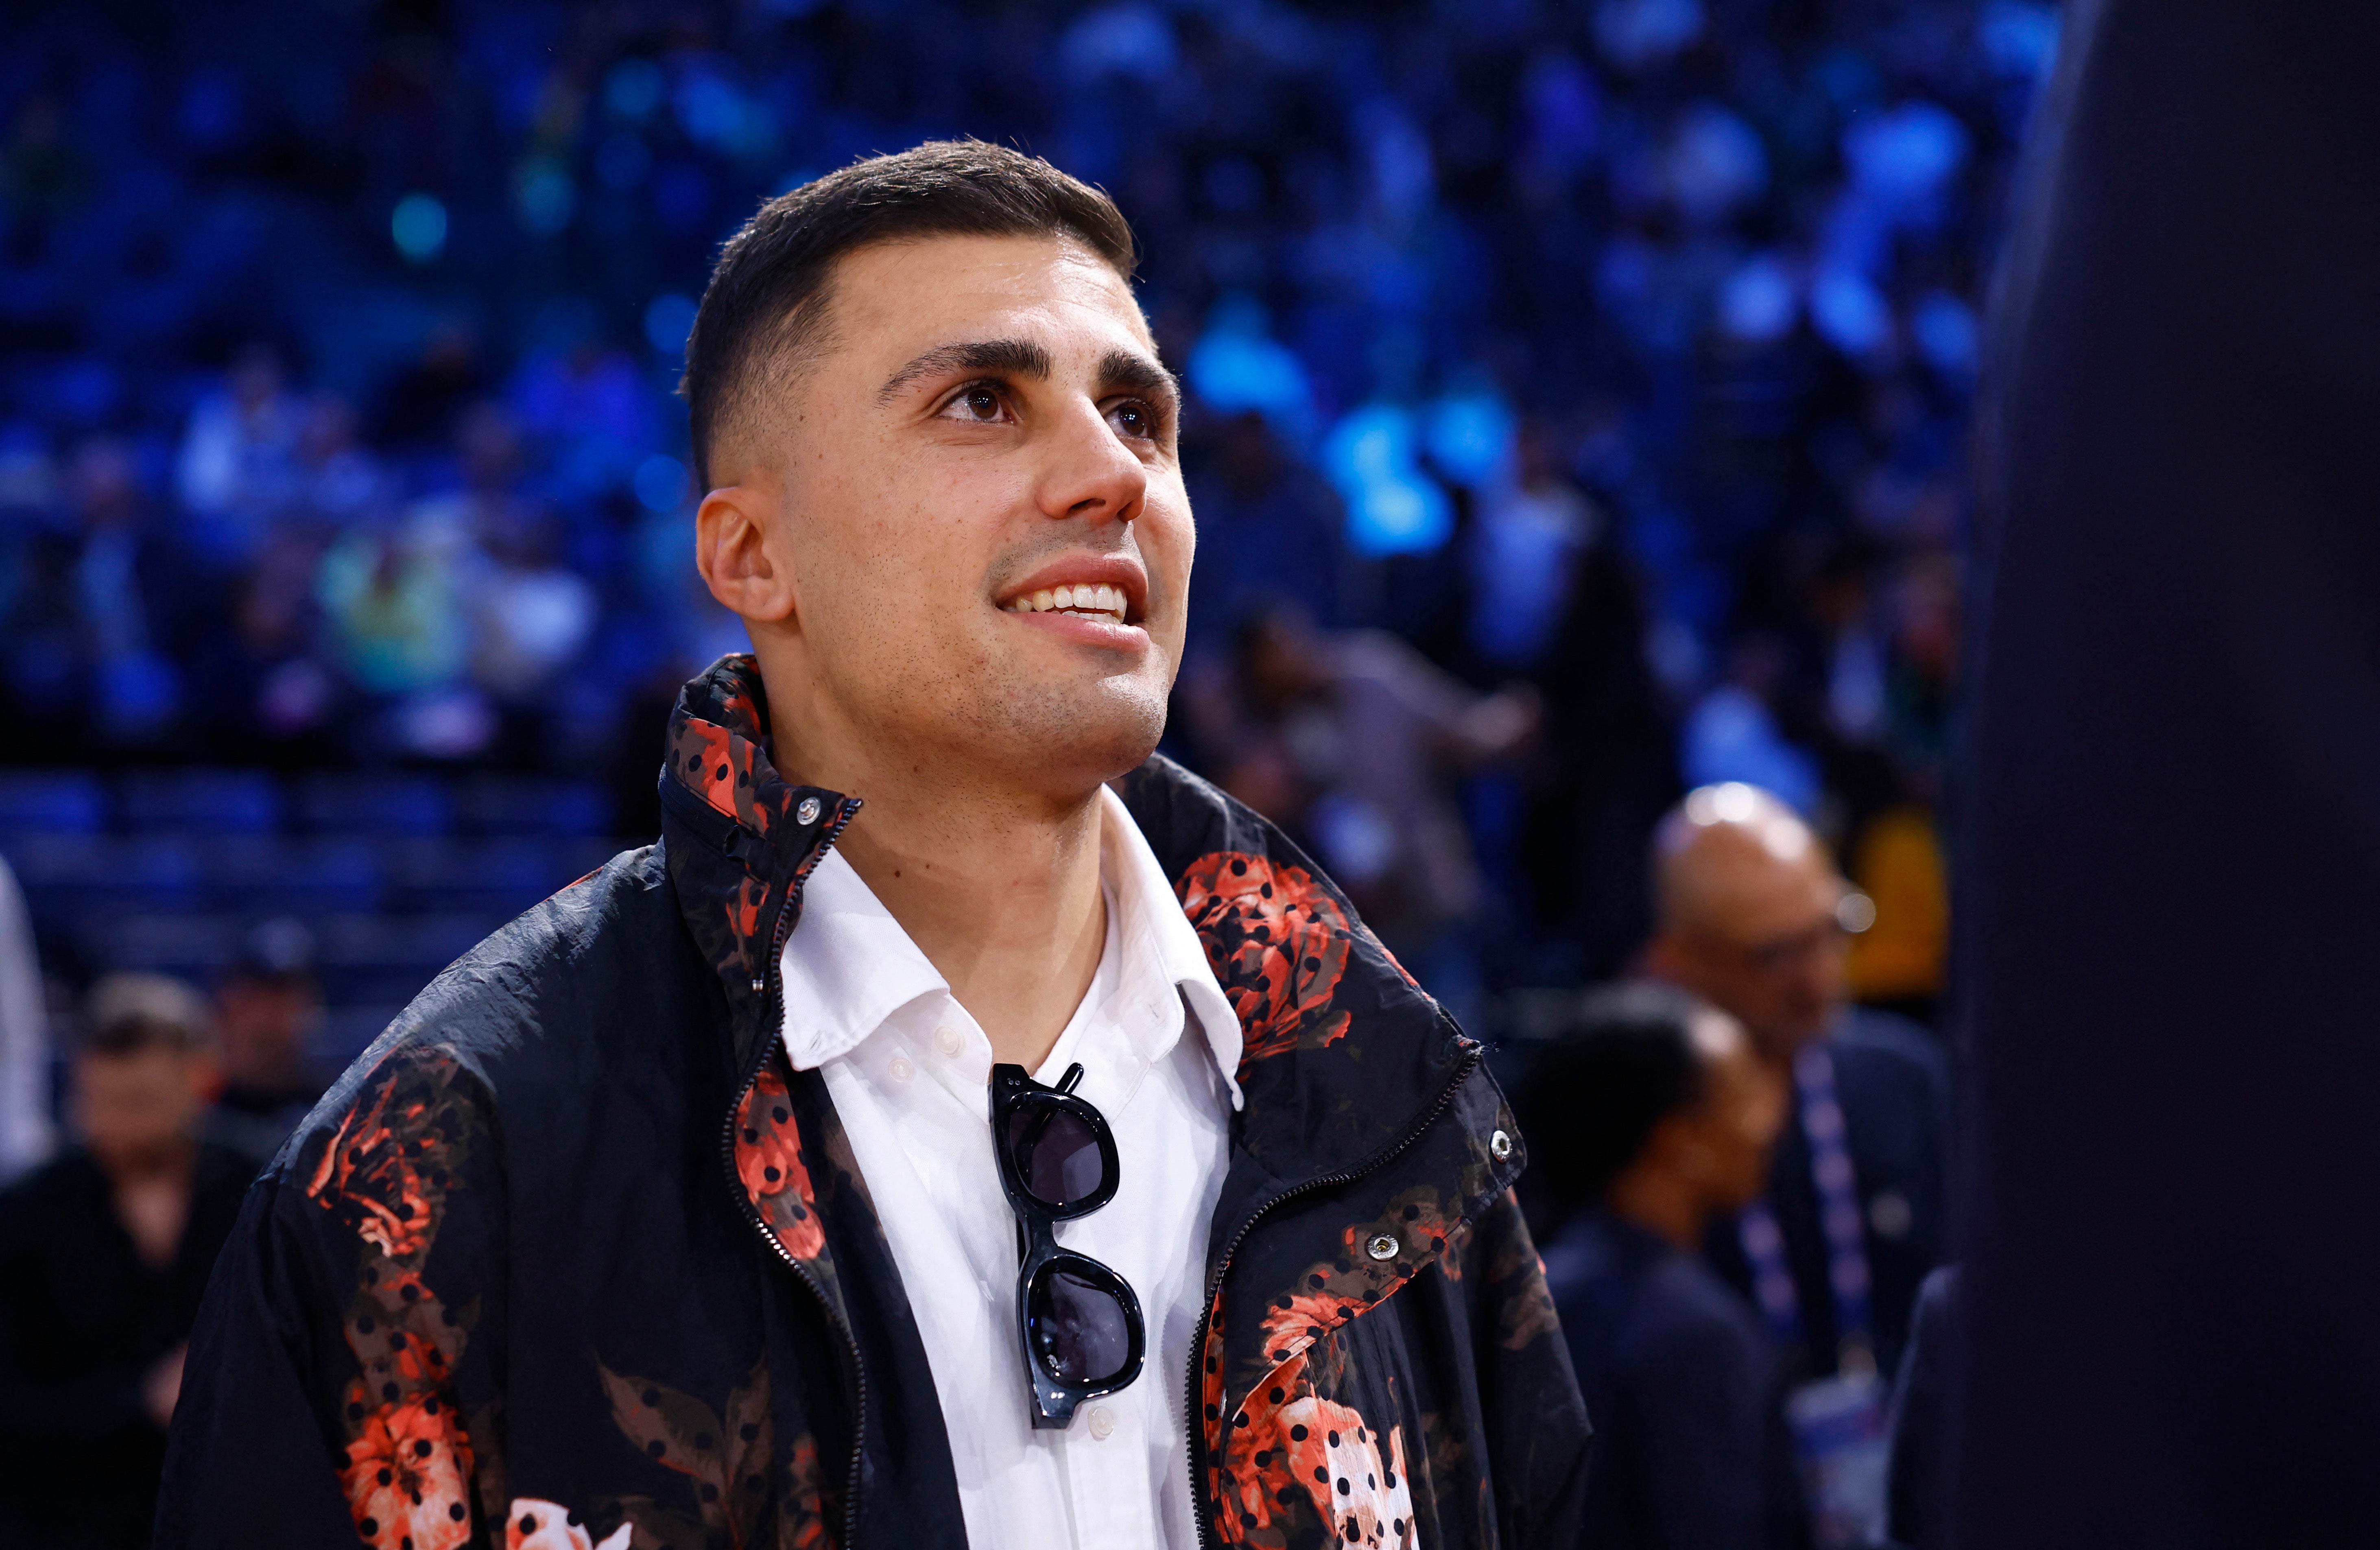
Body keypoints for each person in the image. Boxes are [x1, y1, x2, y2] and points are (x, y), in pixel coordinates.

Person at [159, 142, 1588, 1550]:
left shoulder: (1386, 1093)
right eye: (983, 401)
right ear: (749, 557)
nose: (1113, 476)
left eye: (1139, 417)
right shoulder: (434, 1168)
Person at [1643, 783, 1948, 1386]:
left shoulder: (1904, 1079)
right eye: (1775, 953)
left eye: (1830, 928)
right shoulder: (1651, 1133)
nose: (1815, 976)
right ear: (1680, 961)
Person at [1529, 984, 1807, 1550]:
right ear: (1677, 1140)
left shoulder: (1537, 1289)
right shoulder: (1692, 1333)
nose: (1764, 1124)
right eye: (1741, 1095)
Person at [0, 974, 251, 1550]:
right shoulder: (25, 1217)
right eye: (97, 1101)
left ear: (202, 1080)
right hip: (71, 1523)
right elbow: (12, 1409)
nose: (113, 1125)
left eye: (141, 1101)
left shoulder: (262, 1192)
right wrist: (143, 1401)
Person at [202, 918, 328, 1169]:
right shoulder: (196, 1103)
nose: (267, 1018)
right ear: (227, 1001)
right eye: (256, 998)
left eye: (284, 1000)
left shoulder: (331, 1104)